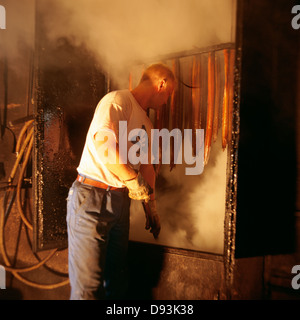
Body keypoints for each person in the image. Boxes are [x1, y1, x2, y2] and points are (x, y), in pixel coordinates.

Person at [66, 63, 175, 300]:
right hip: (91, 197)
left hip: (118, 201)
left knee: (116, 282)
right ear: (161, 84)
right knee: (88, 287)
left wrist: (151, 207)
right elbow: (103, 146)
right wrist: (132, 180)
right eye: (169, 94)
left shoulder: (146, 123)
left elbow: (147, 168)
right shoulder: (117, 101)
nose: (167, 101)